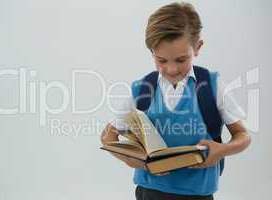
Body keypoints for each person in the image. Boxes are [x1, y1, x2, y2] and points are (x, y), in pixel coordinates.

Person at [100, 2, 251, 200]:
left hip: (198, 194)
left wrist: (221, 150)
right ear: (152, 52)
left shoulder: (212, 86)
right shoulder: (141, 90)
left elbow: (243, 136)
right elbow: (107, 138)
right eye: (161, 60)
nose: (171, 69)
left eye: (181, 60)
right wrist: (132, 160)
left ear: (197, 47)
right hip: (150, 191)